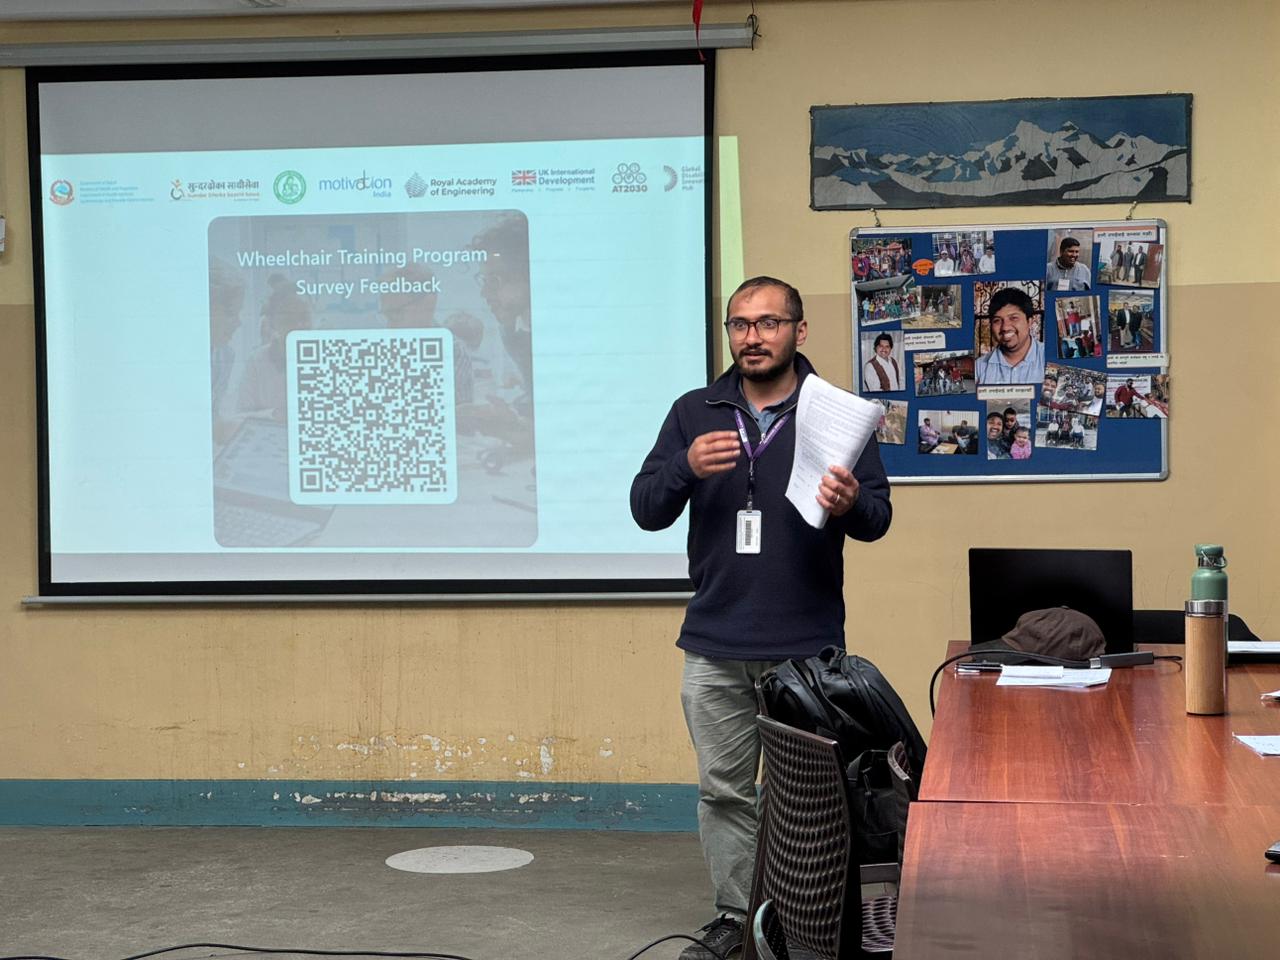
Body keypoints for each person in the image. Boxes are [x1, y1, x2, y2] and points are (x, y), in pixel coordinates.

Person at [630, 276, 892, 960]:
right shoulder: (696, 411)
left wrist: (849, 503)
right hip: (714, 642)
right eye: (740, 325)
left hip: (806, 649)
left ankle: (801, 921)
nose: (753, 336)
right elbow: (646, 507)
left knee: (804, 799)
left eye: (768, 323)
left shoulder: (836, 413)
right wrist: (684, 468)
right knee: (723, 792)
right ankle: (733, 920)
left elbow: (878, 519)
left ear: (798, 332)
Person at [975, 287, 1045, 385]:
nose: (1005, 327)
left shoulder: (1048, 359)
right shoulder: (979, 367)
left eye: (1013, 318)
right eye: (997, 320)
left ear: (1030, 322)